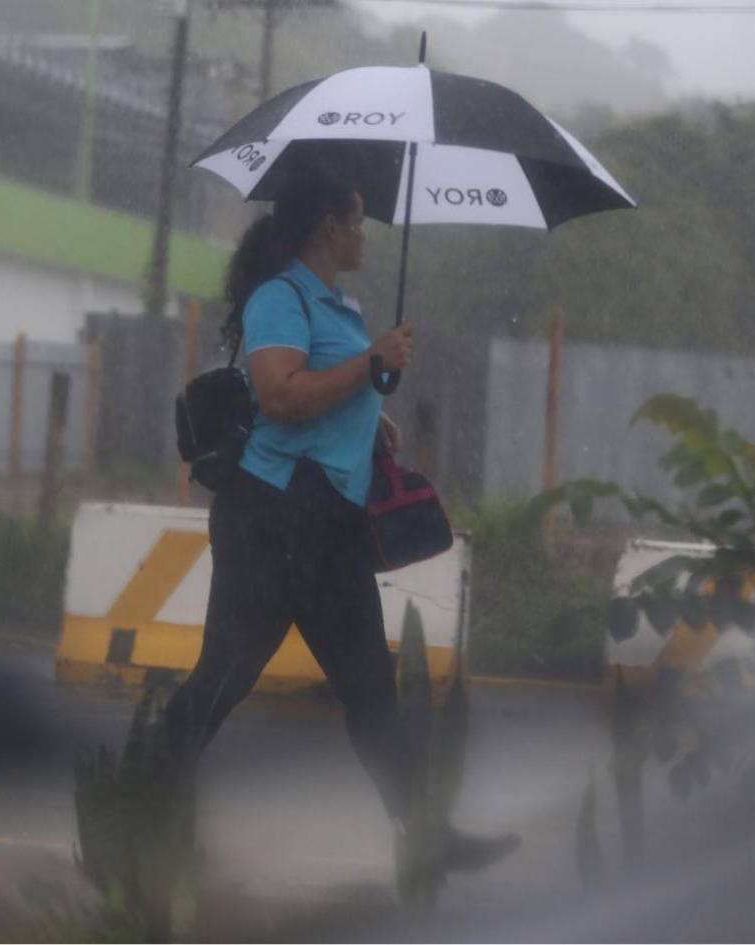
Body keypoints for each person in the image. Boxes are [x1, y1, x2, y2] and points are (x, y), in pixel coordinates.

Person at [164, 169, 517, 896]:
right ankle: (141, 800)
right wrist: (372, 362)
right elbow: (280, 394)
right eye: (357, 221)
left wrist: (370, 411)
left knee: (369, 689)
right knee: (223, 676)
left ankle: (425, 836)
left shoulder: (335, 303)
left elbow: (329, 391)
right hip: (272, 518)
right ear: (327, 225)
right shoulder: (281, 298)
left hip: (326, 524)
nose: (363, 233)